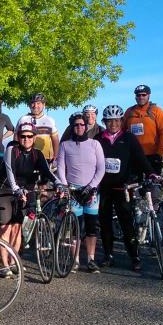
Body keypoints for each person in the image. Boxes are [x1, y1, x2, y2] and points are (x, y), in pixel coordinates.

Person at [96, 105, 153, 271]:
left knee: (126, 222)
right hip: (105, 187)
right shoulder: (99, 139)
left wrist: (151, 173)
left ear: (121, 121)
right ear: (104, 122)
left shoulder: (129, 138)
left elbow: (141, 159)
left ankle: (134, 256)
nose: (113, 124)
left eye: (116, 120)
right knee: (104, 222)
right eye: (109, 121)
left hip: (123, 188)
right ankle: (108, 255)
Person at [0, 122, 58, 273]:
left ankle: (13, 261)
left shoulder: (38, 154)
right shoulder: (12, 149)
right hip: (4, 189)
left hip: (23, 191)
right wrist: (16, 189)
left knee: (17, 227)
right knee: (6, 227)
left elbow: (47, 172)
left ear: (34, 137)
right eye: (23, 136)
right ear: (18, 137)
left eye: (30, 136)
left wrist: (58, 183)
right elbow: (10, 172)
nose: (26, 139)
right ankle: (4, 265)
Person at [56, 112, 105, 273]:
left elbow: (101, 168)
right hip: (74, 190)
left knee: (91, 227)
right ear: (72, 126)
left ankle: (91, 259)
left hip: (90, 191)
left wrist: (92, 186)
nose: (79, 127)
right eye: (76, 125)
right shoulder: (65, 145)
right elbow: (61, 167)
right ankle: (75, 260)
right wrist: (64, 185)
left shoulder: (95, 144)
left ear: (86, 126)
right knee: (75, 228)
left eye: (82, 124)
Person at [123, 84, 163, 175]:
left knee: (152, 186)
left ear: (148, 95)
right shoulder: (129, 112)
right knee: (133, 186)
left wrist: (159, 154)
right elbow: (122, 132)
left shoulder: (157, 111)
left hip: (152, 156)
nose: (141, 97)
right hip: (133, 156)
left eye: (144, 95)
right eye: (138, 95)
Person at [18, 93, 59, 163]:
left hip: (45, 158)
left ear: (43, 105)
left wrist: (56, 155)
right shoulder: (23, 119)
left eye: (38, 103)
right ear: (29, 105)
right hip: (26, 157)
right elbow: (16, 138)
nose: (35, 106)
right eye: (33, 103)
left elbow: (55, 140)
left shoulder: (49, 120)